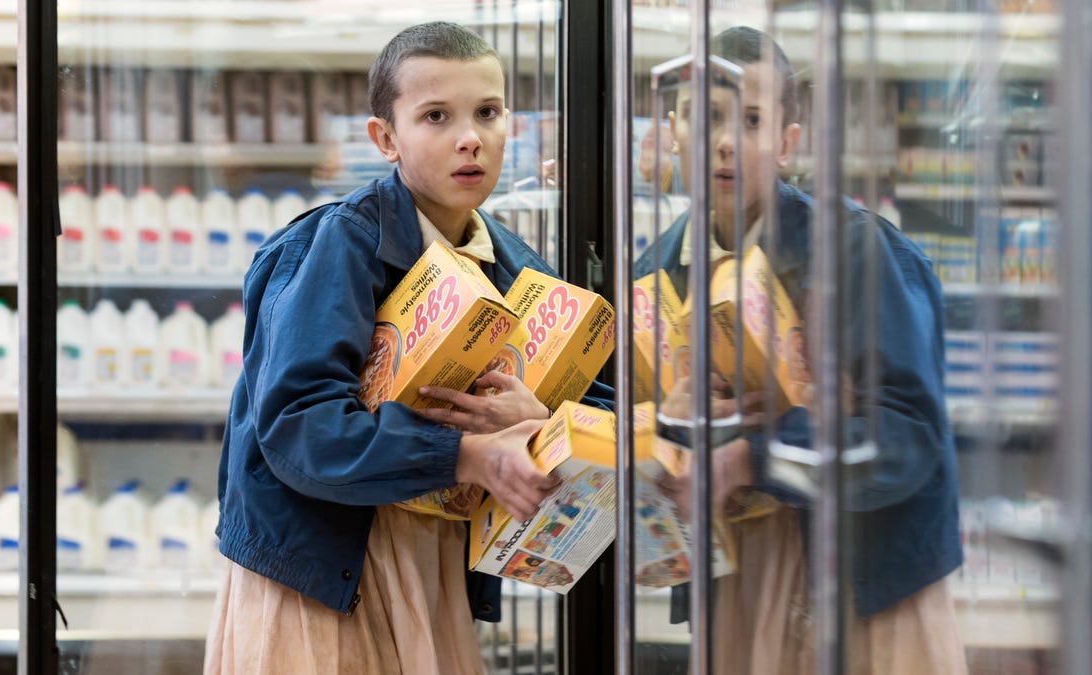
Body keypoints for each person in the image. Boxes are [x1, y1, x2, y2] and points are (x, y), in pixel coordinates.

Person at [204, 21, 613, 675]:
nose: (470, 137)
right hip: (318, 577)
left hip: (432, 571)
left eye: (488, 111)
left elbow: (602, 407)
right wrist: (465, 452)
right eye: (435, 116)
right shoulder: (336, 246)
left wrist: (540, 421)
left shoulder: (516, 267)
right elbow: (298, 427)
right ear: (385, 138)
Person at [636, 26, 967, 673]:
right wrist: (668, 427)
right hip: (738, 580)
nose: (726, 141)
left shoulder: (857, 252)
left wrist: (754, 457)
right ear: (671, 131)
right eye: (705, 117)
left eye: (752, 119)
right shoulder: (658, 270)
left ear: (788, 142)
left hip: (868, 585)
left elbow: (908, 437)